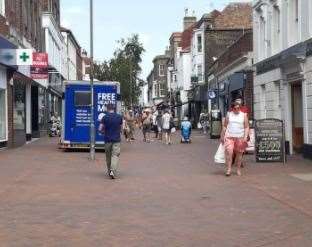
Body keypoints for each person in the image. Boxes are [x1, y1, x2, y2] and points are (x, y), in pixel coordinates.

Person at [221, 101, 249, 177]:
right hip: (229, 137)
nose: (237, 109)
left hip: (240, 137)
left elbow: (246, 127)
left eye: (238, 108)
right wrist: (222, 135)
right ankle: (228, 169)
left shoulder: (243, 115)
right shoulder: (229, 115)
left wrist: (245, 137)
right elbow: (225, 126)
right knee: (229, 152)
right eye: (235, 108)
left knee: (239, 154)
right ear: (232, 108)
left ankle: (238, 169)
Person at [99, 104, 123, 179]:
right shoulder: (119, 117)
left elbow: (100, 128)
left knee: (108, 156)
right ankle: (112, 171)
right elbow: (122, 128)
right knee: (115, 155)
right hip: (116, 140)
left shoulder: (104, 117)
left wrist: (103, 132)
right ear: (114, 109)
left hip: (107, 140)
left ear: (107, 109)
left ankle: (110, 171)